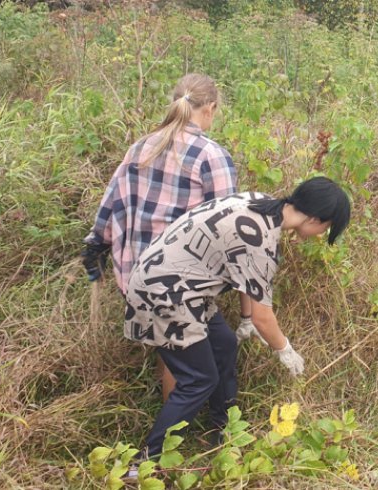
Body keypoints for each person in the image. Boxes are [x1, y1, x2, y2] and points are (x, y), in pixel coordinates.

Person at [125, 177, 351, 457]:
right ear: (315, 218)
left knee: (224, 345)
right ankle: (147, 459)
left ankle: (222, 429)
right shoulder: (262, 240)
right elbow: (263, 317)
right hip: (165, 293)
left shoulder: (260, 204)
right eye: (325, 228)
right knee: (198, 379)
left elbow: (245, 277)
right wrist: (285, 349)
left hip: (175, 284)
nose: (320, 234)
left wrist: (245, 319)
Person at [81, 73, 258, 404]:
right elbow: (226, 228)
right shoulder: (211, 155)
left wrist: (95, 247)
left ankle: (187, 434)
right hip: (178, 281)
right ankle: (175, 444)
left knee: (178, 352)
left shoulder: (142, 146)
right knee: (191, 362)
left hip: (136, 275)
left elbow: (112, 203)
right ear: (211, 108)